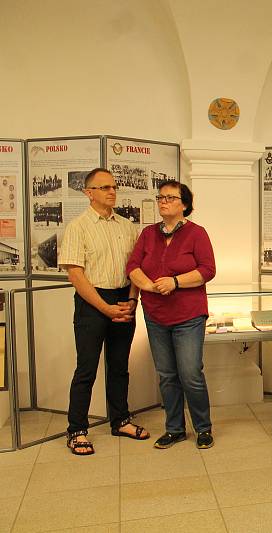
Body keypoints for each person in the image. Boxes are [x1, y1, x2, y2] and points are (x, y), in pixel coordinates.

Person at [58, 167, 150, 456]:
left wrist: (132, 301)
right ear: (89, 193)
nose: (112, 192)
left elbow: (136, 269)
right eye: (104, 187)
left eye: (113, 187)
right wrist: (105, 308)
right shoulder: (78, 227)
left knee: (120, 365)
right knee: (86, 369)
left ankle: (120, 419)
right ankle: (77, 429)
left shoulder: (127, 226)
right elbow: (76, 275)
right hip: (92, 303)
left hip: (124, 299)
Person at [127, 181, 216, 449]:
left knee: (190, 373)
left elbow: (208, 269)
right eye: (161, 197)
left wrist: (174, 282)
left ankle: (203, 428)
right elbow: (133, 265)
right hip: (156, 315)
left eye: (170, 197)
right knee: (166, 375)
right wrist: (147, 285)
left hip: (188, 315)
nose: (163, 201)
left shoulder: (197, 233)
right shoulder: (148, 233)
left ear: (184, 204)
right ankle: (175, 428)